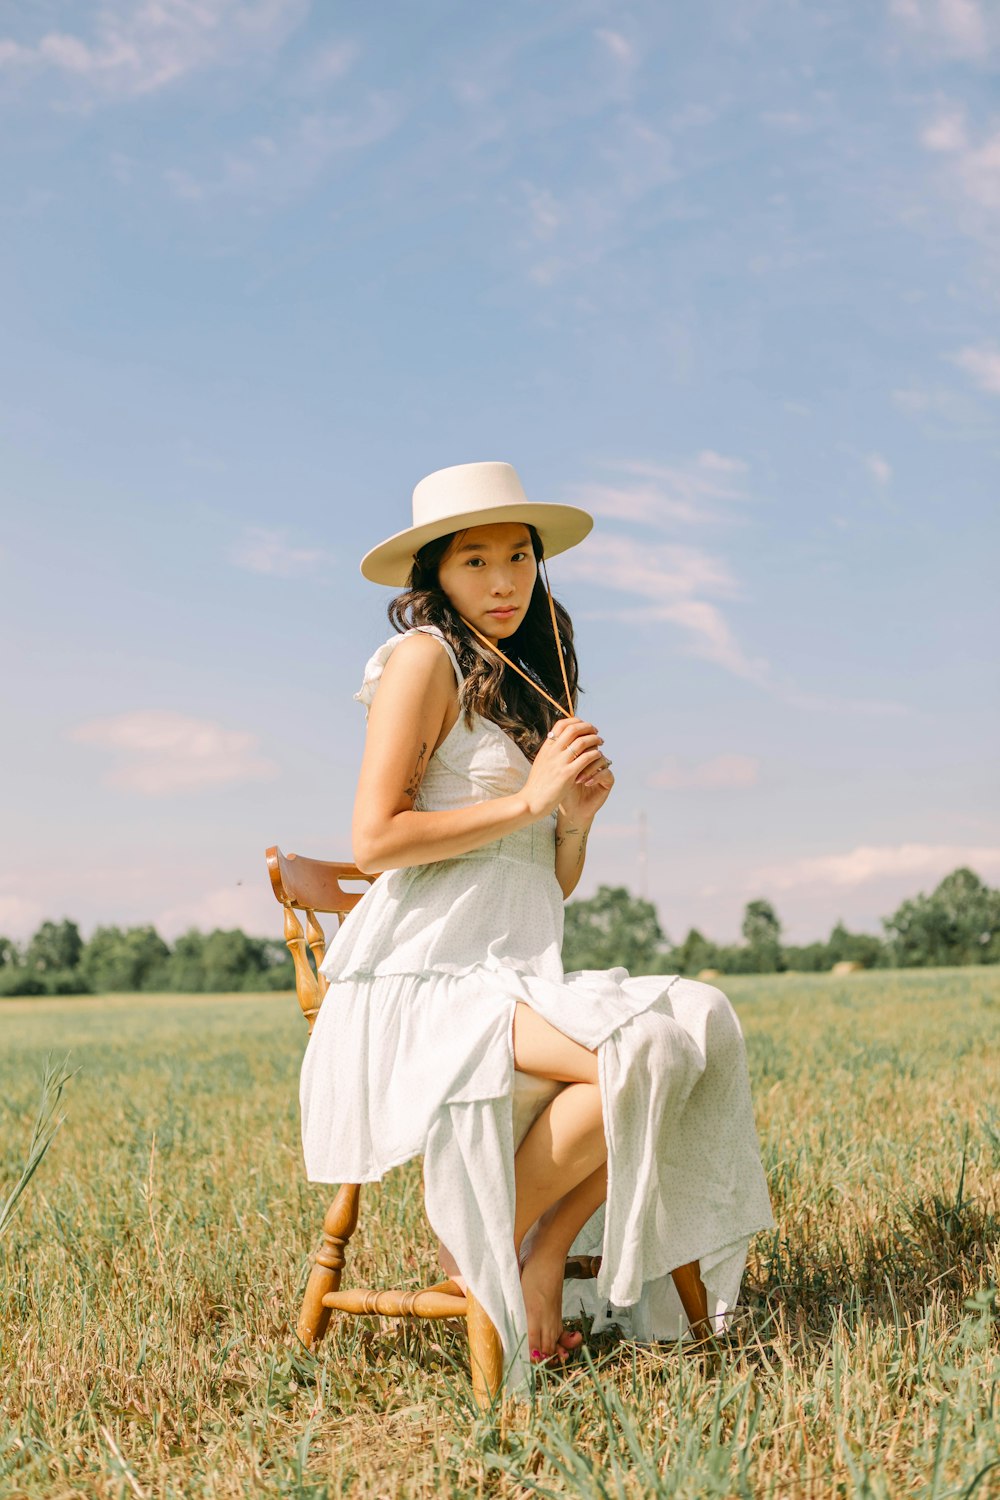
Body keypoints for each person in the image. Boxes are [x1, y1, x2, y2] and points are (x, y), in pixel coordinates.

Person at [299, 461, 774, 1387]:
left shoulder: (526, 678)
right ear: (434, 573)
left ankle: (537, 1247)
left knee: (692, 1028)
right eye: (475, 561)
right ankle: (496, 1244)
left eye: (518, 557)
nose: (504, 580)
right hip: (420, 982)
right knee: (640, 1055)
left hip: (509, 973)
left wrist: (575, 823)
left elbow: (542, 888)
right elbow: (374, 835)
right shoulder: (421, 661)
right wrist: (529, 804)